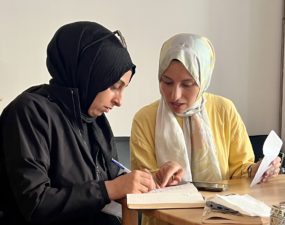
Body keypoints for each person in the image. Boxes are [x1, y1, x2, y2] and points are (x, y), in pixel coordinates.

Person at [0, 21, 183, 225]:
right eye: (115, 86)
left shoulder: (93, 119)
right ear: (90, 74)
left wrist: (152, 180)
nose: (119, 101)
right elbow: (36, 203)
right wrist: (111, 189)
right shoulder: (30, 112)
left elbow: (112, 176)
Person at [130, 33, 282, 225]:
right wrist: (158, 177)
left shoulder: (224, 110)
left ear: (204, 80)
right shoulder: (144, 119)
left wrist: (257, 169)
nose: (174, 95)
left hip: (223, 219)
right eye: (166, 82)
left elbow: (240, 171)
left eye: (187, 84)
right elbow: (143, 186)